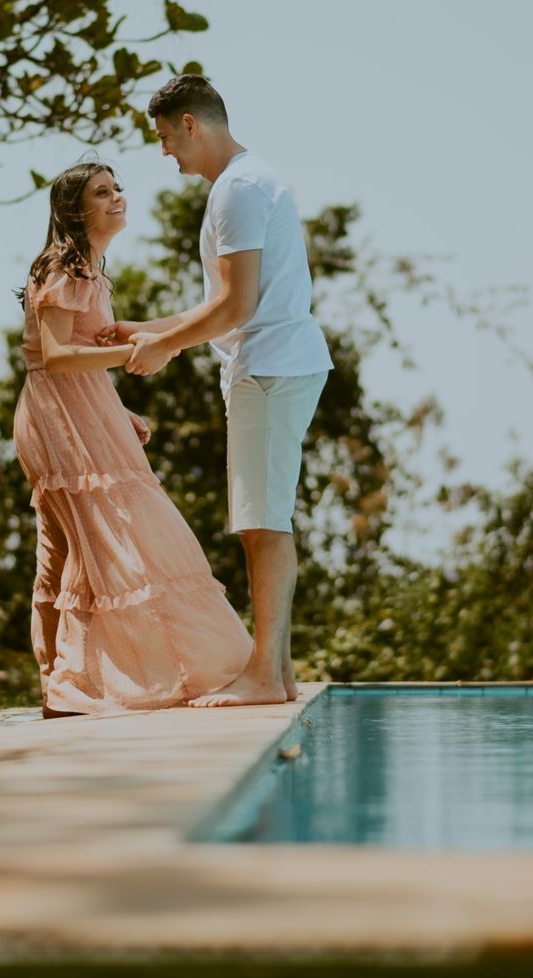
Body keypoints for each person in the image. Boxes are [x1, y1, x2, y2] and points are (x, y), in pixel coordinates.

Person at [101, 75, 332, 707]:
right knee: (263, 518)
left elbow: (235, 306)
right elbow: (226, 304)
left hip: (270, 367)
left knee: (262, 521)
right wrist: (148, 330)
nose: (164, 153)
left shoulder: (237, 190)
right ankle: (277, 674)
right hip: (272, 363)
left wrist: (166, 346)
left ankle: (263, 673)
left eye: (165, 138)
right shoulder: (245, 183)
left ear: (190, 125)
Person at [11, 161, 253, 715]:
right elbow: (55, 357)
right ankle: (70, 681)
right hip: (57, 414)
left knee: (73, 542)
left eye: (117, 188)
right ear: (77, 210)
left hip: (84, 408)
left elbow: (77, 357)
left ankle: (61, 681)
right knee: (94, 539)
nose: (117, 197)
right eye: (102, 192)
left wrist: (117, 409)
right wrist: (137, 350)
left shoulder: (91, 270)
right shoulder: (64, 268)